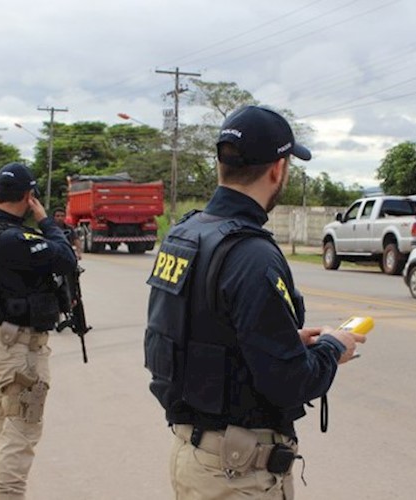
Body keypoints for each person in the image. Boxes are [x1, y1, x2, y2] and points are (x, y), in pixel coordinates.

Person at [143, 106, 364, 499]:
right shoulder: (252, 254)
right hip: (238, 474)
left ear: (220, 165)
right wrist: (333, 348)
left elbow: (202, 335)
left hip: (195, 455)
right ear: (278, 170)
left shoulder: (185, 234)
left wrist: (285, 338)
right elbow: (288, 382)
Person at [0, 162, 77, 500]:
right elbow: (65, 257)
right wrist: (45, 221)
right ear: (29, 196)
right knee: (22, 430)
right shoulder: (15, 240)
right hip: (20, 352)